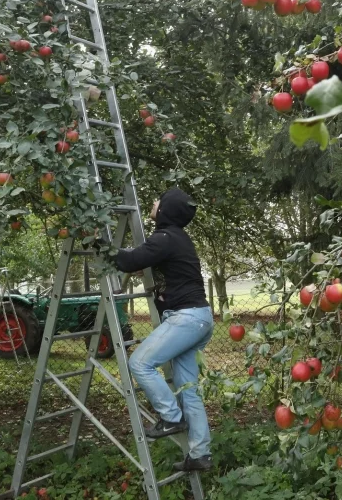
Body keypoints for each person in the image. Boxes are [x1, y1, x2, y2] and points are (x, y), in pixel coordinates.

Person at [109, 188, 215, 472]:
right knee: (188, 391)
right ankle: (200, 454)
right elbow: (142, 258)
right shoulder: (176, 238)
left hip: (187, 318)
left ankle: (171, 417)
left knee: (140, 362)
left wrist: (102, 245)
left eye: (158, 201)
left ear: (166, 210)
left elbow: (130, 261)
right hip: (200, 318)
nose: (154, 203)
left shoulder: (166, 238)